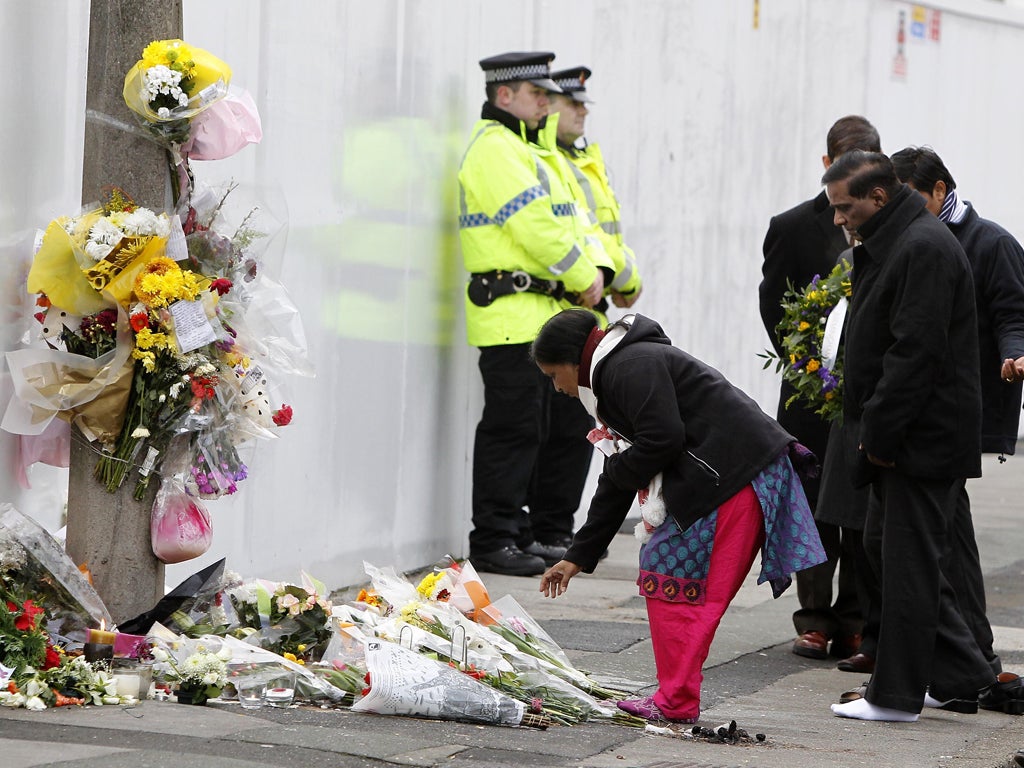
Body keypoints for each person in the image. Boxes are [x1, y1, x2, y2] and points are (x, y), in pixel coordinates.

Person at [532, 309, 826, 724]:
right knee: (672, 577)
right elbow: (620, 470)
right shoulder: (617, 371)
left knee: (676, 580)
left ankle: (675, 700)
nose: (557, 387)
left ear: (571, 360)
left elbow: (660, 440)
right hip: (737, 474)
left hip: (738, 476)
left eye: (552, 375)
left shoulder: (629, 367)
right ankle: (676, 697)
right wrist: (578, 555)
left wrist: (617, 472)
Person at [823, 150, 994, 722]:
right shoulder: (896, 239)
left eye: (845, 207)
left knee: (907, 563)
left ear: (877, 197)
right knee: (888, 550)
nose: (838, 218)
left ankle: (894, 697)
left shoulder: (920, 246)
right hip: (908, 435)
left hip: (917, 439)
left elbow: (913, 355)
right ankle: (962, 675)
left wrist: (879, 440)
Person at [457, 52, 607, 576]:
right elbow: (538, 229)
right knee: (512, 432)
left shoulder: (524, 149)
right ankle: (494, 539)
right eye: (535, 93)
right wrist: (584, 275)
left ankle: (519, 534)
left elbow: (567, 225)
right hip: (509, 317)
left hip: (534, 314)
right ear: (504, 96)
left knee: (539, 433)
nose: (547, 100)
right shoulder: (495, 149)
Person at [759, 116, 880, 664]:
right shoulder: (793, 226)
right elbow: (775, 306)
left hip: (867, 395)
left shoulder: (893, 226)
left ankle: (854, 619)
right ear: (826, 162)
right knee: (808, 505)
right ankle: (813, 619)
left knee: (860, 504)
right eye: (845, 157)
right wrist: (809, 364)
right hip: (810, 396)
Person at [548, 66, 643, 309]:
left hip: (592, 301)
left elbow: (612, 237)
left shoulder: (584, 161)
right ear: (547, 105)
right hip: (569, 305)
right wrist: (629, 280)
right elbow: (589, 232)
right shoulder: (552, 164)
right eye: (573, 103)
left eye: (583, 104)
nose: (584, 111)